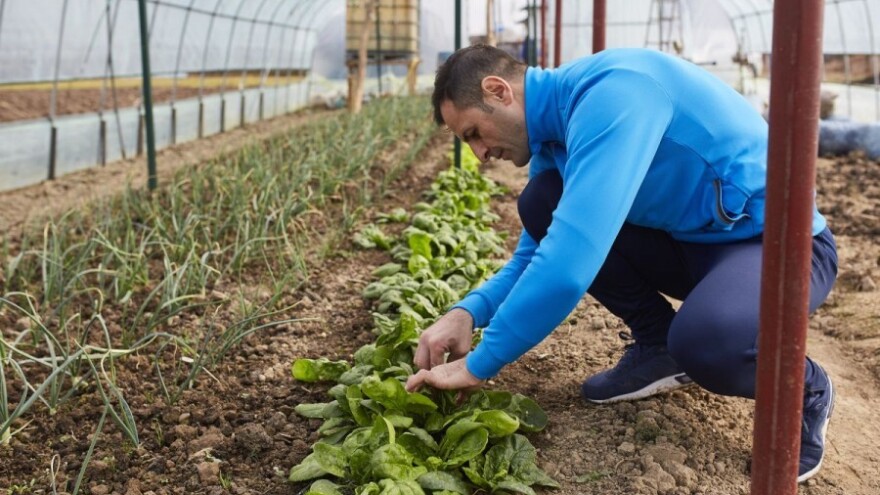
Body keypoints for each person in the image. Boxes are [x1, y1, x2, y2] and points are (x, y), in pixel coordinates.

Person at [404, 44, 838, 483]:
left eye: (474, 133)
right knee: (542, 201)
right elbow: (536, 253)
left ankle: (805, 388)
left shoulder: (615, 93)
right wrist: (467, 313)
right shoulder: (556, 138)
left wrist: (480, 363)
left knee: (708, 343)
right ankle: (658, 346)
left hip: (783, 248)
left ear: (498, 91)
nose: (479, 154)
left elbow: (567, 267)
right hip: (694, 247)